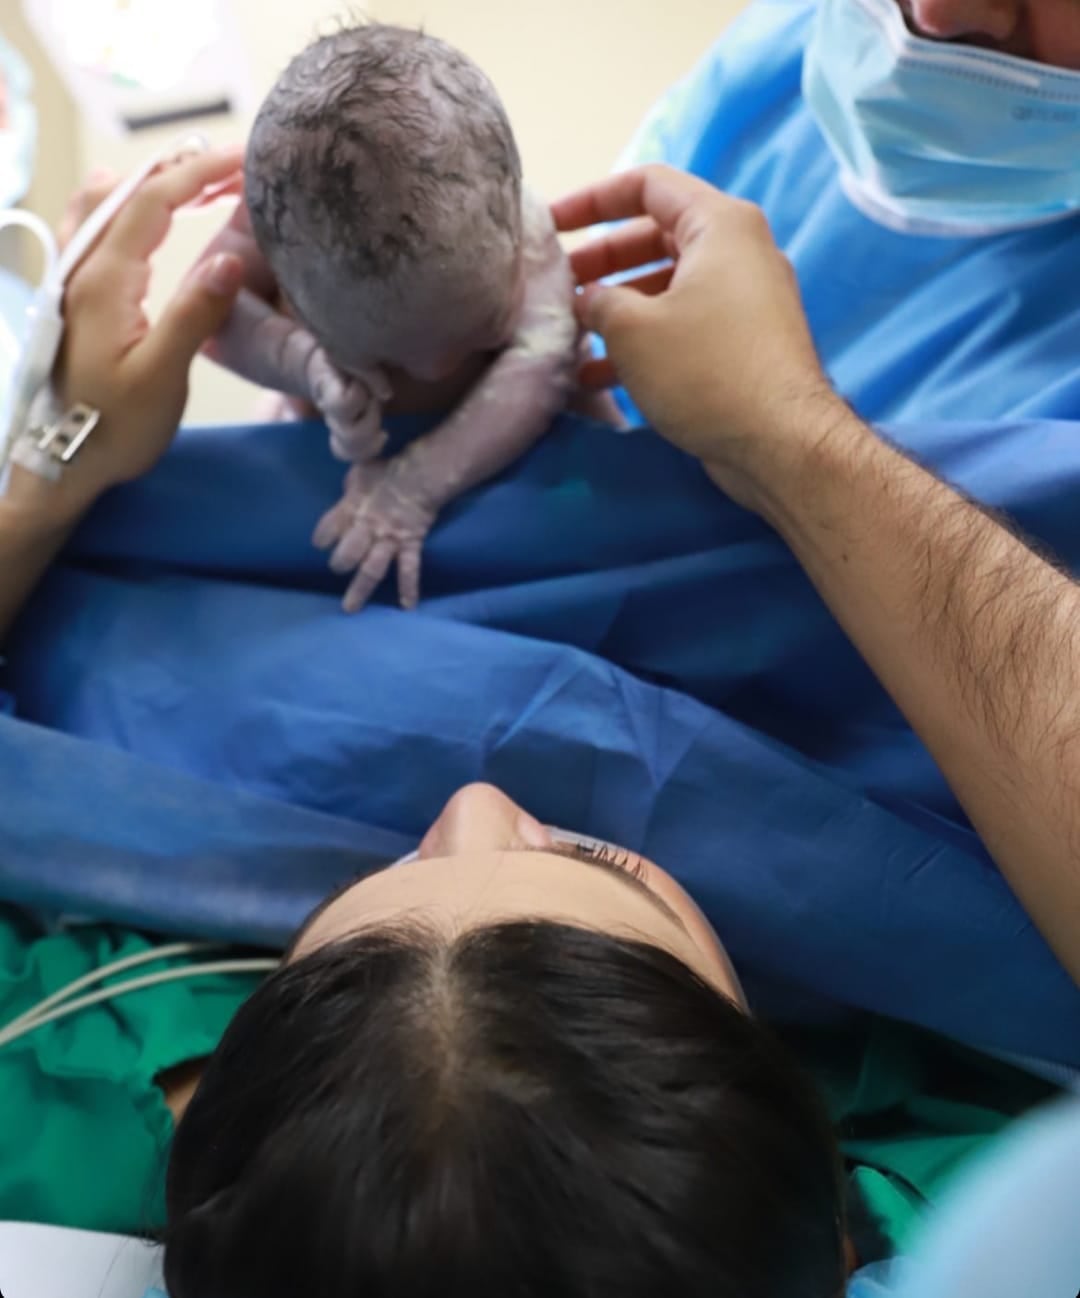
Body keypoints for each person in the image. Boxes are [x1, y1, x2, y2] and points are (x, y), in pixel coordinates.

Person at [1, 140, 1078, 1291]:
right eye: (601, 856)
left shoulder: (44, 1104)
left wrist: (49, 460)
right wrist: (786, 436)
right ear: (842, 1209)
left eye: (388, 871)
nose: (476, 798)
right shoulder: (973, 1187)